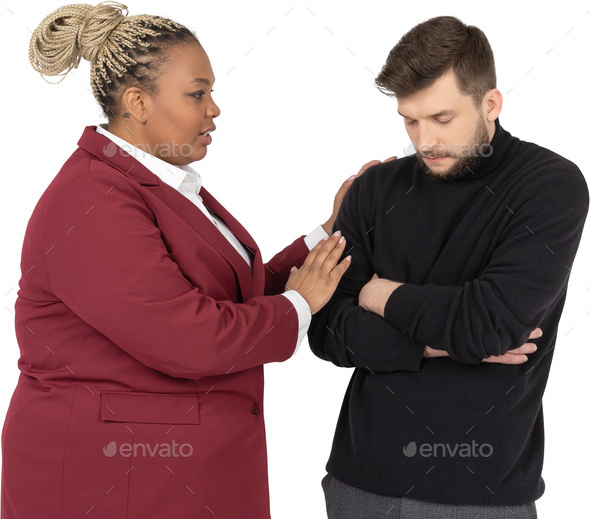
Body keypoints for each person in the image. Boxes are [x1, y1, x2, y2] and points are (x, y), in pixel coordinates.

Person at [0, 2, 393, 517]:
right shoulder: (91, 199)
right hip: (112, 485)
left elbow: (230, 300)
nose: (214, 109)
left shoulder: (159, 185)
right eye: (197, 94)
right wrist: (299, 303)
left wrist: (330, 229)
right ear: (138, 103)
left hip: (172, 478)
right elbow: (189, 336)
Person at [308, 15, 589, 519]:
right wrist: (434, 341)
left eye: (442, 118)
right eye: (409, 120)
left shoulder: (551, 185)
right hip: (358, 483)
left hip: (478, 494)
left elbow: (488, 326)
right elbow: (326, 328)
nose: (424, 140)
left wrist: (379, 295)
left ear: (491, 104)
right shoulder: (374, 190)